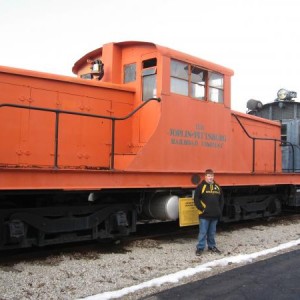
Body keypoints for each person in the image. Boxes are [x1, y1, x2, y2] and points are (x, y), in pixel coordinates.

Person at [194, 169, 224, 256]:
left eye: (212, 176)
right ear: (205, 176)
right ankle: (200, 248)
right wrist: (202, 209)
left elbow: (221, 200)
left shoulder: (217, 187)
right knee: (203, 232)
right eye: (209, 176)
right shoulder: (201, 186)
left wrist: (219, 210)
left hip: (214, 215)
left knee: (212, 232)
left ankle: (212, 246)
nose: (210, 178)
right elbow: (196, 199)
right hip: (204, 215)